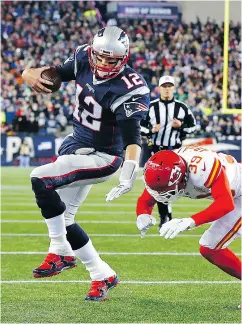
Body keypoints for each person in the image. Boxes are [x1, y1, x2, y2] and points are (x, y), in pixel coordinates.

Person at [22, 26, 150, 301]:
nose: (104, 64)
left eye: (111, 60)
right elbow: (57, 73)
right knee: (64, 219)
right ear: (92, 51)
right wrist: (29, 73)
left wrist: (129, 172)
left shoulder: (131, 88)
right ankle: (102, 274)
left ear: (124, 58)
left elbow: (132, 138)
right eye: (100, 57)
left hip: (103, 157)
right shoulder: (82, 57)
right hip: (76, 143)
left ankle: (60, 252)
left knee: (40, 178)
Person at [137, 146, 241, 282]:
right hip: (234, 194)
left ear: (182, 177)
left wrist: (190, 221)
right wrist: (142, 214)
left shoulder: (203, 169)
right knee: (210, 247)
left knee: (210, 247)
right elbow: (146, 199)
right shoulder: (165, 167)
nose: (160, 195)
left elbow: (225, 203)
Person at [138, 75, 196, 229]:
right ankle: (165, 216)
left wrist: (181, 125)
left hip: (175, 151)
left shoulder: (182, 107)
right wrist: (151, 130)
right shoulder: (151, 107)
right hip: (156, 151)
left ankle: (166, 215)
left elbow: (194, 127)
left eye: (170, 86)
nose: (167, 89)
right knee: (159, 184)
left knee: (170, 185)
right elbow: (139, 127)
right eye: (164, 86)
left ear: (174, 88)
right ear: (159, 88)